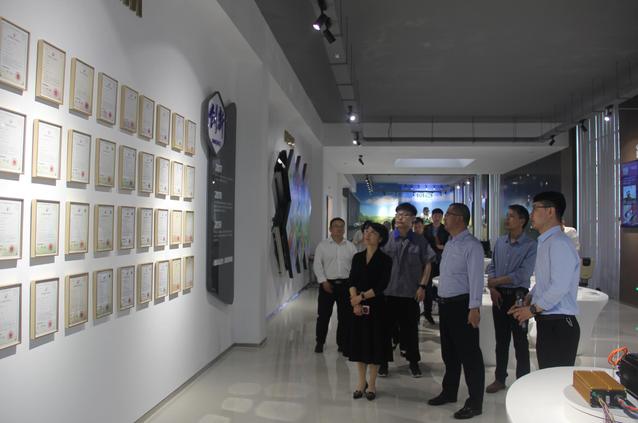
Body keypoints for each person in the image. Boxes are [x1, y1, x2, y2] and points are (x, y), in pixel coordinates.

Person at [509, 191, 580, 369]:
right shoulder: (546, 242)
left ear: (550, 211)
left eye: (535, 209)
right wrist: (530, 297)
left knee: (555, 379)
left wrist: (532, 309)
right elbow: (545, 281)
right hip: (548, 321)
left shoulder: (559, 243)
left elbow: (559, 287)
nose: (531, 214)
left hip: (559, 324)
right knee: (547, 373)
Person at [428, 203, 485, 420]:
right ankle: (449, 391)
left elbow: (476, 279)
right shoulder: (451, 242)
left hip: (462, 306)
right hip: (446, 305)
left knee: (470, 356)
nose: (445, 218)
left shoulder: (472, 246)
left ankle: (475, 402)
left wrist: (474, 307)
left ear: (460, 218)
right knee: (449, 353)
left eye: (448, 214)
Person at [484, 205, 537, 394]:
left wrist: (495, 281)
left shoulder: (531, 245)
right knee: (501, 340)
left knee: (520, 341)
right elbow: (492, 266)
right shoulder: (500, 242)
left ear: (522, 220)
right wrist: (493, 287)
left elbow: (523, 273)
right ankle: (500, 378)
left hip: (518, 297)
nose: (507, 219)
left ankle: (523, 381)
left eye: (512, 216)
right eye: (507, 216)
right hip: (499, 296)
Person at [379, 202, 435, 378]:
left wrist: (422, 286)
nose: (400, 218)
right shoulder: (386, 239)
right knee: (385, 331)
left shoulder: (420, 240)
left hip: (410, 293)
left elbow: (428, 264)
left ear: (413, 219)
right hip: (388, 293)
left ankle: (413, 362)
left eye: (404, 215)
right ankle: (383, 363)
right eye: (398, 214)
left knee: (410, 331)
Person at [348, 223, 393, 401]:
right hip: (358, 307)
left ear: (380, 238)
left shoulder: (385, 260)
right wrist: (354, 301)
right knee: (360, 344)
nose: (368, 235)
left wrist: (360, 298)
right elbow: (352, 280)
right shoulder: (357, 257)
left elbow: (382, 285)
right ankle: (361, 382)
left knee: (375, 344)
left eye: (373, 233)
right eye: (366, 231)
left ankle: (372, 384)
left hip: (377, 307)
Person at [313, 217, 357, 354]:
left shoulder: (350, 247)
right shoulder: (322, 246)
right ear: (330, 229)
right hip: (327, 285)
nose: (339, 228)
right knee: (323, 315)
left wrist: (353, 285)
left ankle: (342, 344)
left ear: (344, 229)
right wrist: (323, 281)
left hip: (346, 285)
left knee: (345, 317)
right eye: (336, 226)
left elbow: (355, 267)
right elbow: (317, 265)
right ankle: (320, 342)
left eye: (341, 226)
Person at [422, 208, 450, 325]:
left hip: (442, 261)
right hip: (428, 261)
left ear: (442, 217)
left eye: (439, 215)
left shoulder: (446, 229)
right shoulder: (426, 228)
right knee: (427, 286)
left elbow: (450, 243)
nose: (437, 217)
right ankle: (427, 312)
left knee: (442, 286)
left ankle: (442, 311)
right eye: (435, 215)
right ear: (432, 216)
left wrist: (443, 247)